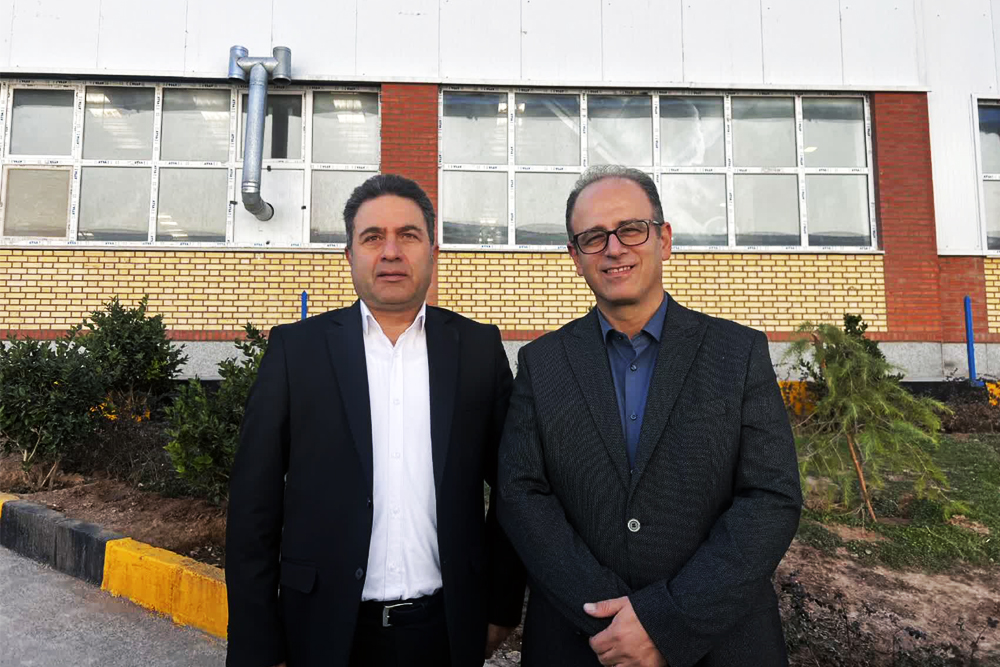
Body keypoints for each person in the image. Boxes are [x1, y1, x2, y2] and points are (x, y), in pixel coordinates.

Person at [497, 165, 802, 667]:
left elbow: (771, 497)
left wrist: (665, 621)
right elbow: (520, 495)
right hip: (582, 642)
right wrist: (613, 621)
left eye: (631, 229)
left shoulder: (737, 352)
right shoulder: (541, 363)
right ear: (575, 257)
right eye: (593, 237)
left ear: (664, 240)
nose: (614, 248)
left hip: (720, 641)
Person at [226, 174, 525, 667]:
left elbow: (515, 489)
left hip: (447, 631)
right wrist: (259, 645)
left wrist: (501, 606)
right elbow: (253, 507)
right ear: (349, 255)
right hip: (321, 634)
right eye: (372, 238)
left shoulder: (476, 350)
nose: (391, 252)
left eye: (408, 235)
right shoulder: (296, 352)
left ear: (433, 251)